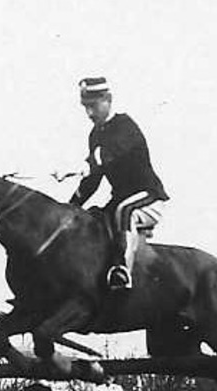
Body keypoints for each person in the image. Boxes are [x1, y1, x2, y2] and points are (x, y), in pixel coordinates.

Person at [68, 76, 169, 291]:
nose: (89, 114)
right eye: (85, 107)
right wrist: (71, 207)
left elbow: (111, 152)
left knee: (124, 212)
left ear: (109, 99)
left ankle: (122, 270)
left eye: (93, 106)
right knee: (95, 220)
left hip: (148, 196)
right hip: (121, 199)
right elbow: (92, 181)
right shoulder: (95, 135)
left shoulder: (125, 126)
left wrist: (84, 165)